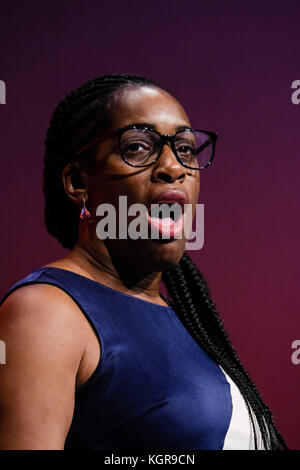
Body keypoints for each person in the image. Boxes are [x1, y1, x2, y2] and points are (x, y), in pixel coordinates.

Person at [0, 73, 287, 450]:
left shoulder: (185, 315)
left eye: (185, 149)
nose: (174, 167)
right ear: (77, 182)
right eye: (138, 147)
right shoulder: (45, 313)